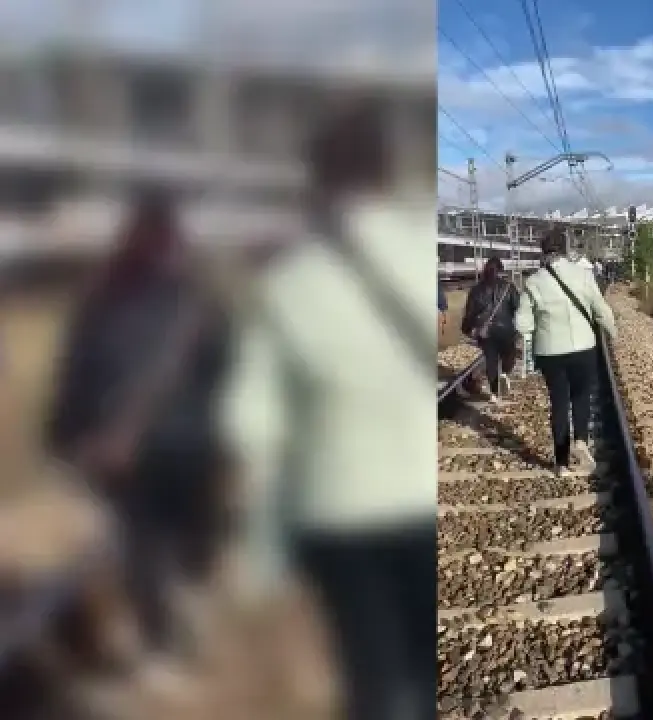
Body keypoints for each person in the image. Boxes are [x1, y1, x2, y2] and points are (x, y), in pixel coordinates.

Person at [219, 100, 437, 720]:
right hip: (421, 497)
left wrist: (259, 555)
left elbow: (252, 427)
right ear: (388, 171)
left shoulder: (285, 281)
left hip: (338, 509)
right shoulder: (420, 251)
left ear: (316, 180)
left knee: (375, 672)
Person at [43, 188, 233, 693]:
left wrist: (63, 438)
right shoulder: (199, 304)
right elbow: (225, 373)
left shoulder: (105, 299)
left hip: (137, 450)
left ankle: (166, 635)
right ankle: (171, 630)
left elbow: (75, 375)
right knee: (163, 546)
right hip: (178, 448)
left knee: (150, 548)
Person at [515, 229, 617, 476]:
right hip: (583, 348)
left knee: (559, 403)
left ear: (543, 252)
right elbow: (601, 309)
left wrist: (528, 341)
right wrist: (612, 332)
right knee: (581, 396)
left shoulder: (533, 281)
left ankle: (561, 463)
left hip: (550, 353)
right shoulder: (583, 275)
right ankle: (581, 440)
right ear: (566, 249)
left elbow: (522, 322)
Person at [461, 257, 520, 401]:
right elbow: (518, 307)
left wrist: (467, 329)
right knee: (509, 354)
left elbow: (470, 313)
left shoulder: (476, 290)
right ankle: (505, 373)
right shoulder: (509, 287)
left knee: (491, 360)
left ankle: (494, 393)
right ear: (501, 270)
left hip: (485, 332)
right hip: (506, 329)